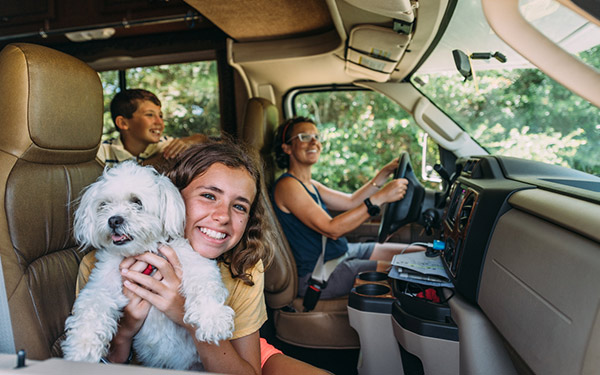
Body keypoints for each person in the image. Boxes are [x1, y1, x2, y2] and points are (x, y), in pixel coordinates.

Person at [77, 139, 329, 374]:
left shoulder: (245, 266)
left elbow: (246, 367)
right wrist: (125, 330)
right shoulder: (102, 262)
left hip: (231, 350)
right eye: (209, 196)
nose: (222, 216)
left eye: (239, 206)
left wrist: (187, 316)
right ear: (176, 197)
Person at [272, 116, 424, 300]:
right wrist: (381, 197)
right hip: (321, 273)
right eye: (304, 137)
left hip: (341, 253)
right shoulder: (287, 186)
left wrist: (383, 174)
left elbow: (351, 201)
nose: (314, 141)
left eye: (317, 137)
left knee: (418, 253)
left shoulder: (310, 184)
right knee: (408, 269)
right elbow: (332, 229)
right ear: (287, 147)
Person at [96, 89, 207, 168]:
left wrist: (194, 140)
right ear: (123, 123)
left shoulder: (166, 145)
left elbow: (204, 141)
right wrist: (159, 160)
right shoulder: (103, 152)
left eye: (161, 116)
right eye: (150, 115)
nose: (160, 122)